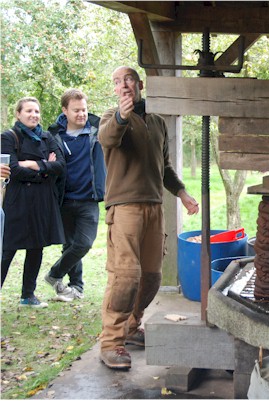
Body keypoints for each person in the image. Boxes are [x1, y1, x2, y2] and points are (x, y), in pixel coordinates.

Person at [98, 66, 199, 370]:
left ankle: (132, 326)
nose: (124, 85)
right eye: (118, 82)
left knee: (152, 277)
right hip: (124, 208)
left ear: (140, 84)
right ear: (115, 90)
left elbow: (163, 167)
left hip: (155, 207)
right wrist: (122, 116)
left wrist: (182, 193)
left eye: (128, 79)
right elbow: (108, 139)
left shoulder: (157, 122)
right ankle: (111, 343)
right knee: (125, 276)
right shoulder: (110, 118)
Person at [0, 97, 66, 308]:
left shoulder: (47, 137)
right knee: (7, 250)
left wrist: (30, 163)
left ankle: (28, 295)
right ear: (18, 114)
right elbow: (13, 169)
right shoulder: (8, 137)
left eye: (36, 111)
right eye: (28, 111)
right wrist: (45, 169)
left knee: (36, 248)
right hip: (17, 201)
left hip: (42, 202)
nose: (33, 115)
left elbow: (61, 166)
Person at [43, 89, 106, 302]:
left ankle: (54, 274)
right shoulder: (53, 136)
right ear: (65, 110)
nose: (82, 114)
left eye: (84, 109)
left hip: (89, 198)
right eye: (76, 110)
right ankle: (76, 287)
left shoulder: (98, 130)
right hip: (64, 199)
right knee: (69, 245)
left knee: (84, 243)